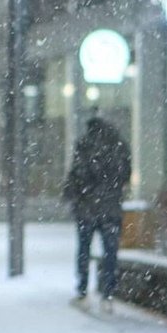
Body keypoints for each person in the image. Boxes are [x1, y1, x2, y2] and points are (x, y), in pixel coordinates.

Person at [63, 113, 131, 304]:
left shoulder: (85, 144)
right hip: (111, 208)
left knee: (84, 248)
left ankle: (82, 288)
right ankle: (108, 290)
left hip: (88, 208)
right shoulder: (119, 144)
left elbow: (78, 173)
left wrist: (72, 194)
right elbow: (125, 174)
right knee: (110, 251)